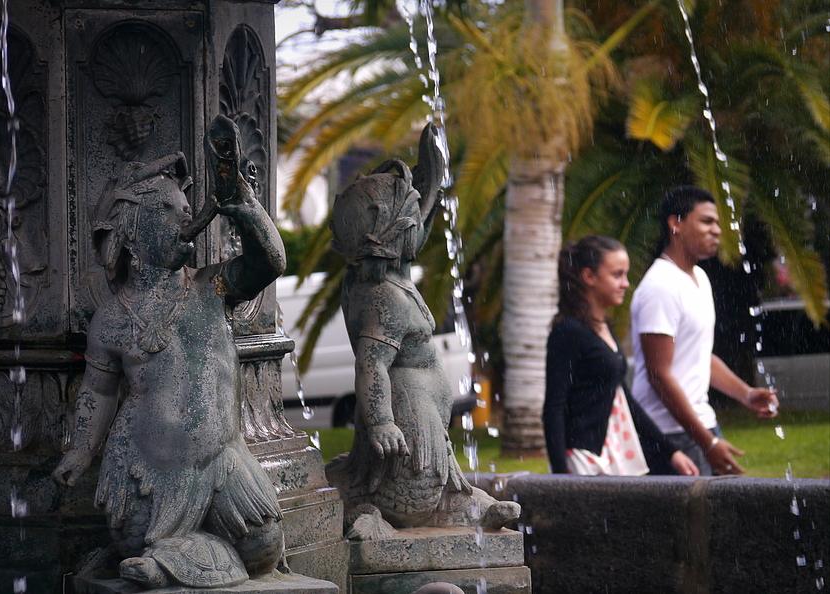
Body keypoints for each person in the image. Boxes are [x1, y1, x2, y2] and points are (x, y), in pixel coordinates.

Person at [52, 116, 288, 587]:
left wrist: (243, 206)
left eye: (187, 208)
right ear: (133, 232)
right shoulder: (113, 319)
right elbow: (97, 393)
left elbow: (271, 262)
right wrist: (80, 450)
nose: (186, 217)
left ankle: (175, 562)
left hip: (221, 466)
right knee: (134, 537)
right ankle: (174, 559)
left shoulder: (212, 286)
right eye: (169, 210)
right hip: (144, 470)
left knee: (264, 546)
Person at [325, 123, 519, 539]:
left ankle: (465, 506)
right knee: (411, 489)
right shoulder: (386, 297)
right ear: (391, 235)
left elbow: (417, 227)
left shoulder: (382, 274)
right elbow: (371, 364)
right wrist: (380, 422)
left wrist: (429, 176)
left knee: (435, 480)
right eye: (411, 219)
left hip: (423, 408)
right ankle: (374, 514)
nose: (421, 226)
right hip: (406, 412)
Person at [631, 186, 779, 476]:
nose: (717, 231)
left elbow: (699, 355)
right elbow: (658, 374)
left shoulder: (698, 277)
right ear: (676, 224)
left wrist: (746, 394)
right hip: (669, 434)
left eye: (718, 224)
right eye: (707, 221)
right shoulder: (660, 286)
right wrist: (707, 442)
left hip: (700, 425)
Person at [543, 235, 698, 476]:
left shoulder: (603, 326)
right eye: (617, 275)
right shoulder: (568, 332)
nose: (626, 284)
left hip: (609, 454)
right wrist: (560, 477)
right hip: (581, 457)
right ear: (589, 277)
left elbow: (621, 396)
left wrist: (671, 451)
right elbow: (554, 406)